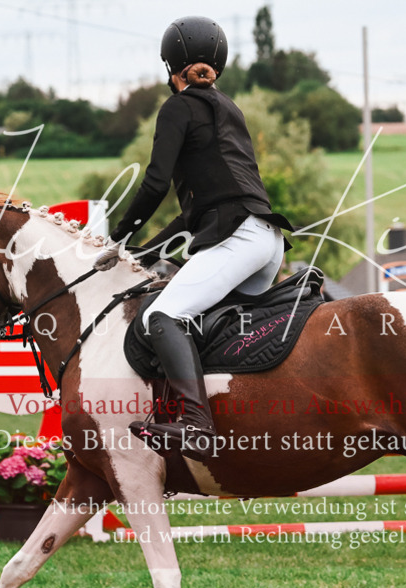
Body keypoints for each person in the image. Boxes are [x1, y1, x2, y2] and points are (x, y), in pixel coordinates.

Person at [93, 16, 292, 461]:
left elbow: (155, 183)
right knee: (203, 321)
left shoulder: (177, 108)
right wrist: (137, 253)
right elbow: (192, 217)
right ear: (216, 64)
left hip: (238, 238)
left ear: (171, 67)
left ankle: (197, 423)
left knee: (161, 317)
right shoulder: (230, 108)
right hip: (265, 238)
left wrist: (118, 235)